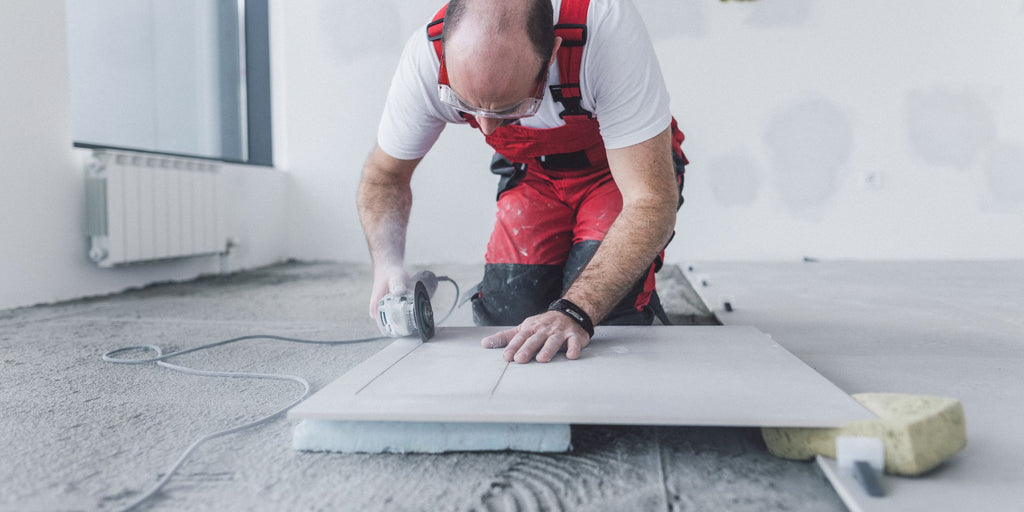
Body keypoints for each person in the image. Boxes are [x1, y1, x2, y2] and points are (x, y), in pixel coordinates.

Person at [357, 0, 687, 363]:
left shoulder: (605, 30)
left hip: (619, 175)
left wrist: (576, 311)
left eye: (508, 108)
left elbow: (650, 198)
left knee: (603, 321)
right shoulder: (425, 57)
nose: (486, 127)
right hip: (536, 176)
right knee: (511, 314)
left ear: (551, 57)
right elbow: (385, 177)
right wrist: (387, 264)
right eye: (467, 105)